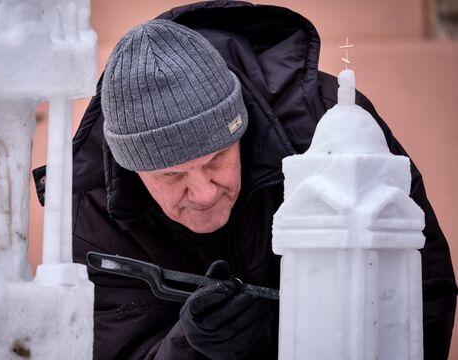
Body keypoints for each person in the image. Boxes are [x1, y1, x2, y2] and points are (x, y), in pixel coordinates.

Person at [34, 1, 457, 359]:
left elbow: (418, 291)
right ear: (132, 168)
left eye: (217, 159)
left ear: (241, 129)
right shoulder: (91, 212)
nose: (202, 193)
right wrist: (191, 345)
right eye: (171, 174)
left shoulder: (330, 133)